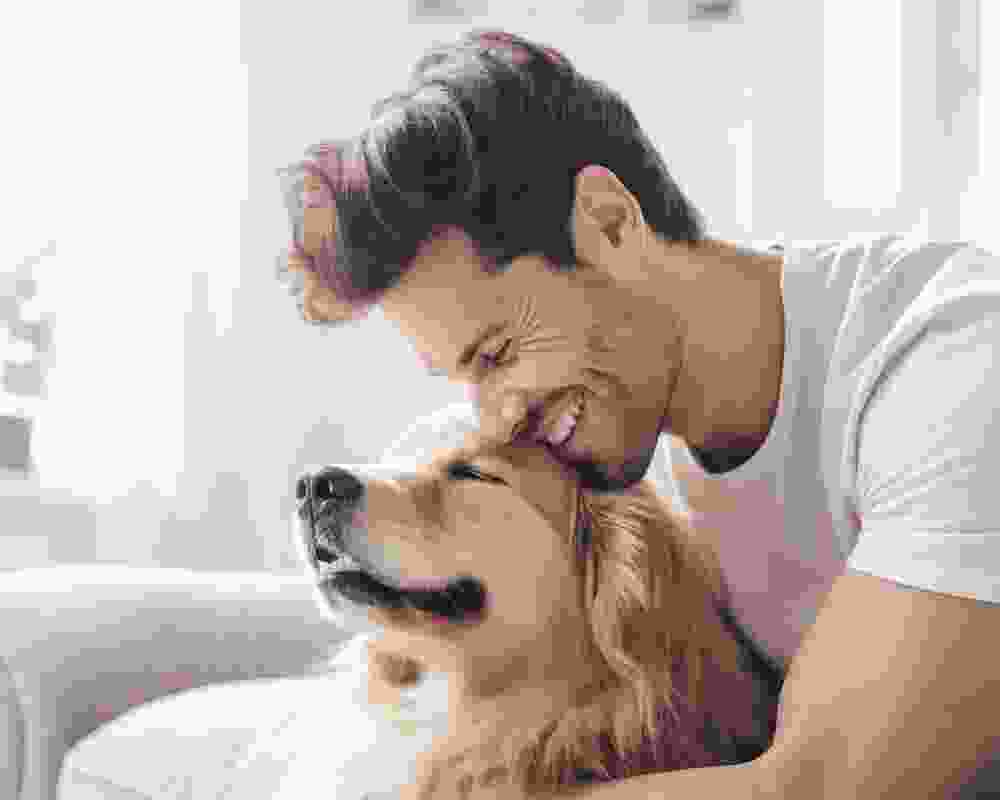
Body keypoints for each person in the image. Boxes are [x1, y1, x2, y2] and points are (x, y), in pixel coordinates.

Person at [274, 29, 999, 798]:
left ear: (610, 223)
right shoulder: (620, 451)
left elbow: (813, 789)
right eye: (464, 378)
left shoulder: (947, 364)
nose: (497, 418)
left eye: (499, 353)